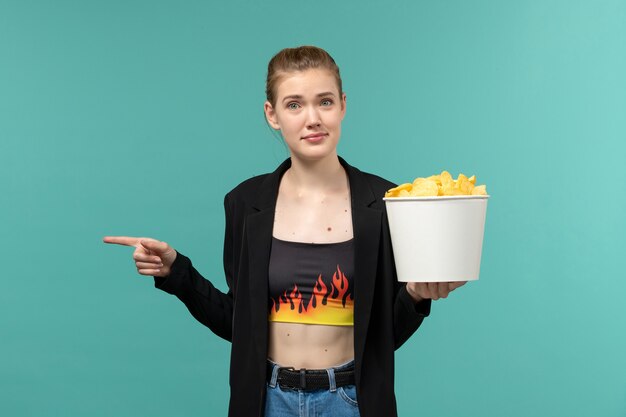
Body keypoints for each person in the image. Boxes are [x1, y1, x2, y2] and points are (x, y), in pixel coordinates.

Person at [103, 45, 466, 417]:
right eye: (294, 105)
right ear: (272, 114)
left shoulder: (387, 203)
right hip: (267, 401)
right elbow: (239, 323)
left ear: (342, 105)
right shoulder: (245, 203)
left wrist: (417, 296)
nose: (312, 118)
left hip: (352, 402)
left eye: (324, 102)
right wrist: (176, 272)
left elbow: (383, 337)